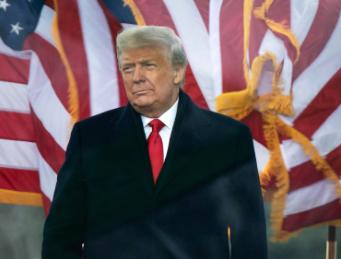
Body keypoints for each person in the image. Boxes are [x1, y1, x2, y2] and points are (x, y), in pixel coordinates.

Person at [42, 26, 267, 259]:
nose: (136, 77)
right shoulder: (89, 137)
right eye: (128, 68)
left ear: (177, 71)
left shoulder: (228, 139)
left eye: (148, 65)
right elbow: (61, 236)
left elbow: (249, 238)